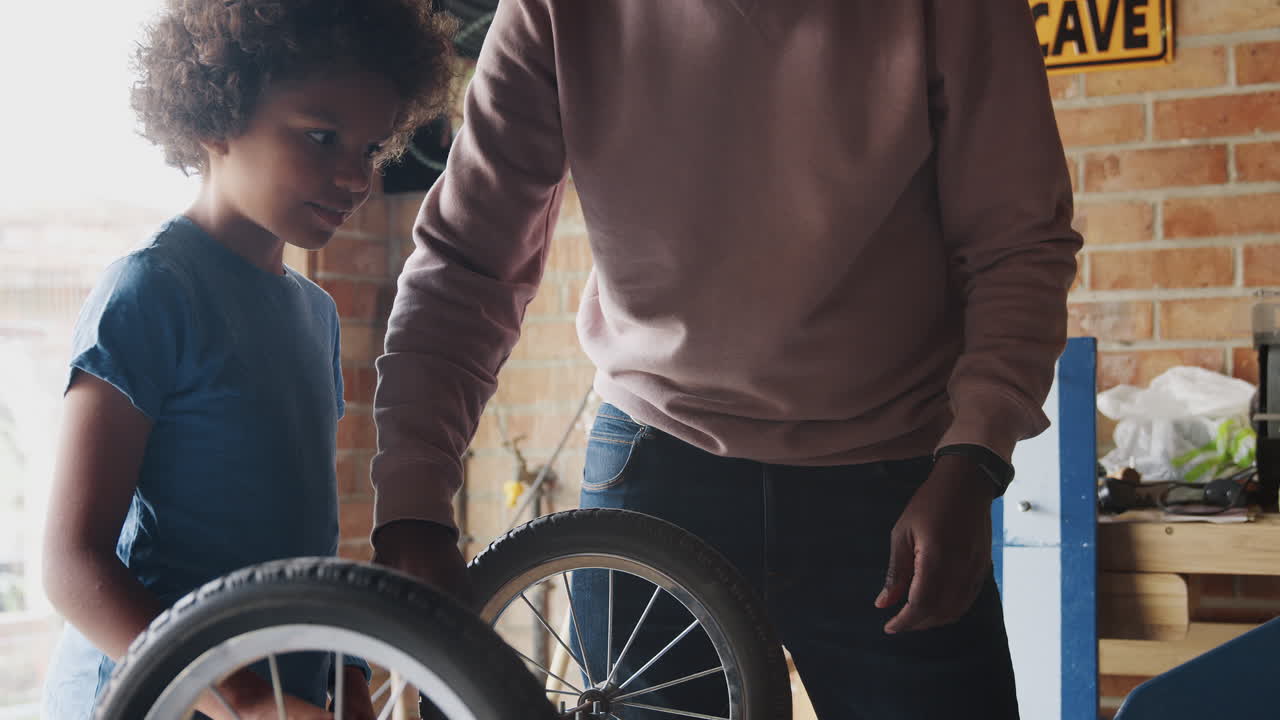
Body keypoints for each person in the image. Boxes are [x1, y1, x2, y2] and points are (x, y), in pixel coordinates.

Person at [372, 1, 1081, 717]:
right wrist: (412, 508)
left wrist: (976, 459)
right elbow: (468, 262)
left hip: (896, 480)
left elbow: (1017, 244)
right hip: (655, 467)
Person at [40, 1, 453, 718]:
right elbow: (71, 565)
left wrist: (346, 675)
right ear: (215, 116)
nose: (356, 178)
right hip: (153, 699)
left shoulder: (314, 315)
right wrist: (244, 697)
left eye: (369, 148)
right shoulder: (150, 292)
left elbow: (303, 536)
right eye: (322, 136)